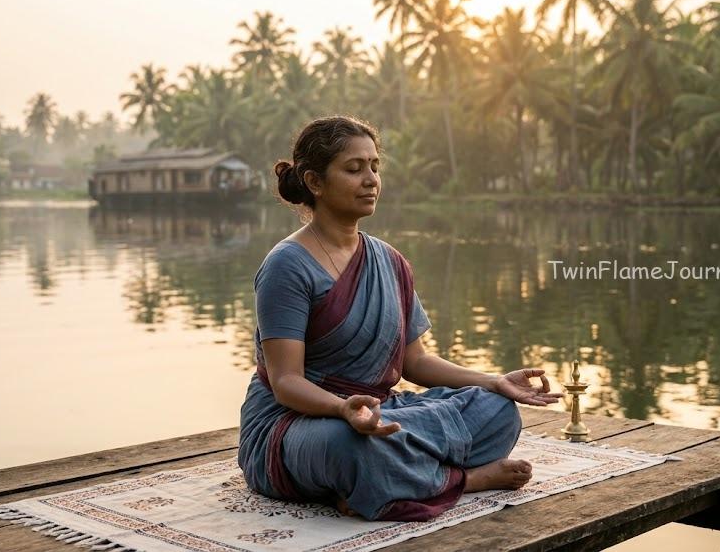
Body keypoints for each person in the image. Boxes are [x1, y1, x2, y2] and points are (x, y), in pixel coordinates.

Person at [238, 115, 563, 522]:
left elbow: (417, 363)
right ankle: (468, 479)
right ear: (315, 182)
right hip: (298, 425)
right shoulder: (287, 265)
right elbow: (286, 383)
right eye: (354, 169)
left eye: (375, 166)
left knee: (497, 411)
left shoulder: (390, 262)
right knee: (349, 445)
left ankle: (381, 483)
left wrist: (494, 380)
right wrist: (342, 411)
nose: (371, 179)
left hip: (380, 412)